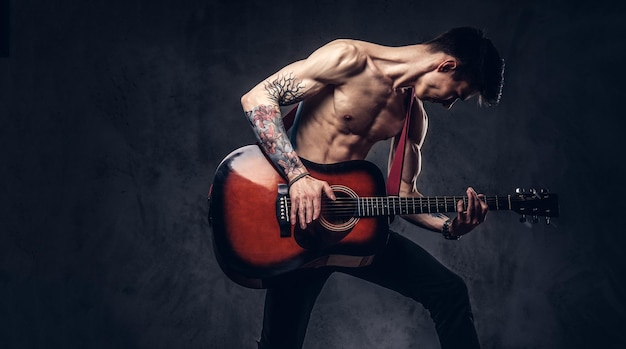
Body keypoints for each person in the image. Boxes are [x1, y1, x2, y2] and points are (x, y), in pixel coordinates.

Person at [240, 27, 505, 349]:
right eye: (457, 93)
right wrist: (298, 177)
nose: (449, 104)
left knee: (448, 290)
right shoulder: (349, 59)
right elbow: (258, 97)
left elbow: (403, 195)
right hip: (295, 228)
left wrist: (450, 226)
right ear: (446, 66)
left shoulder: (413, 116)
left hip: (349, 230)